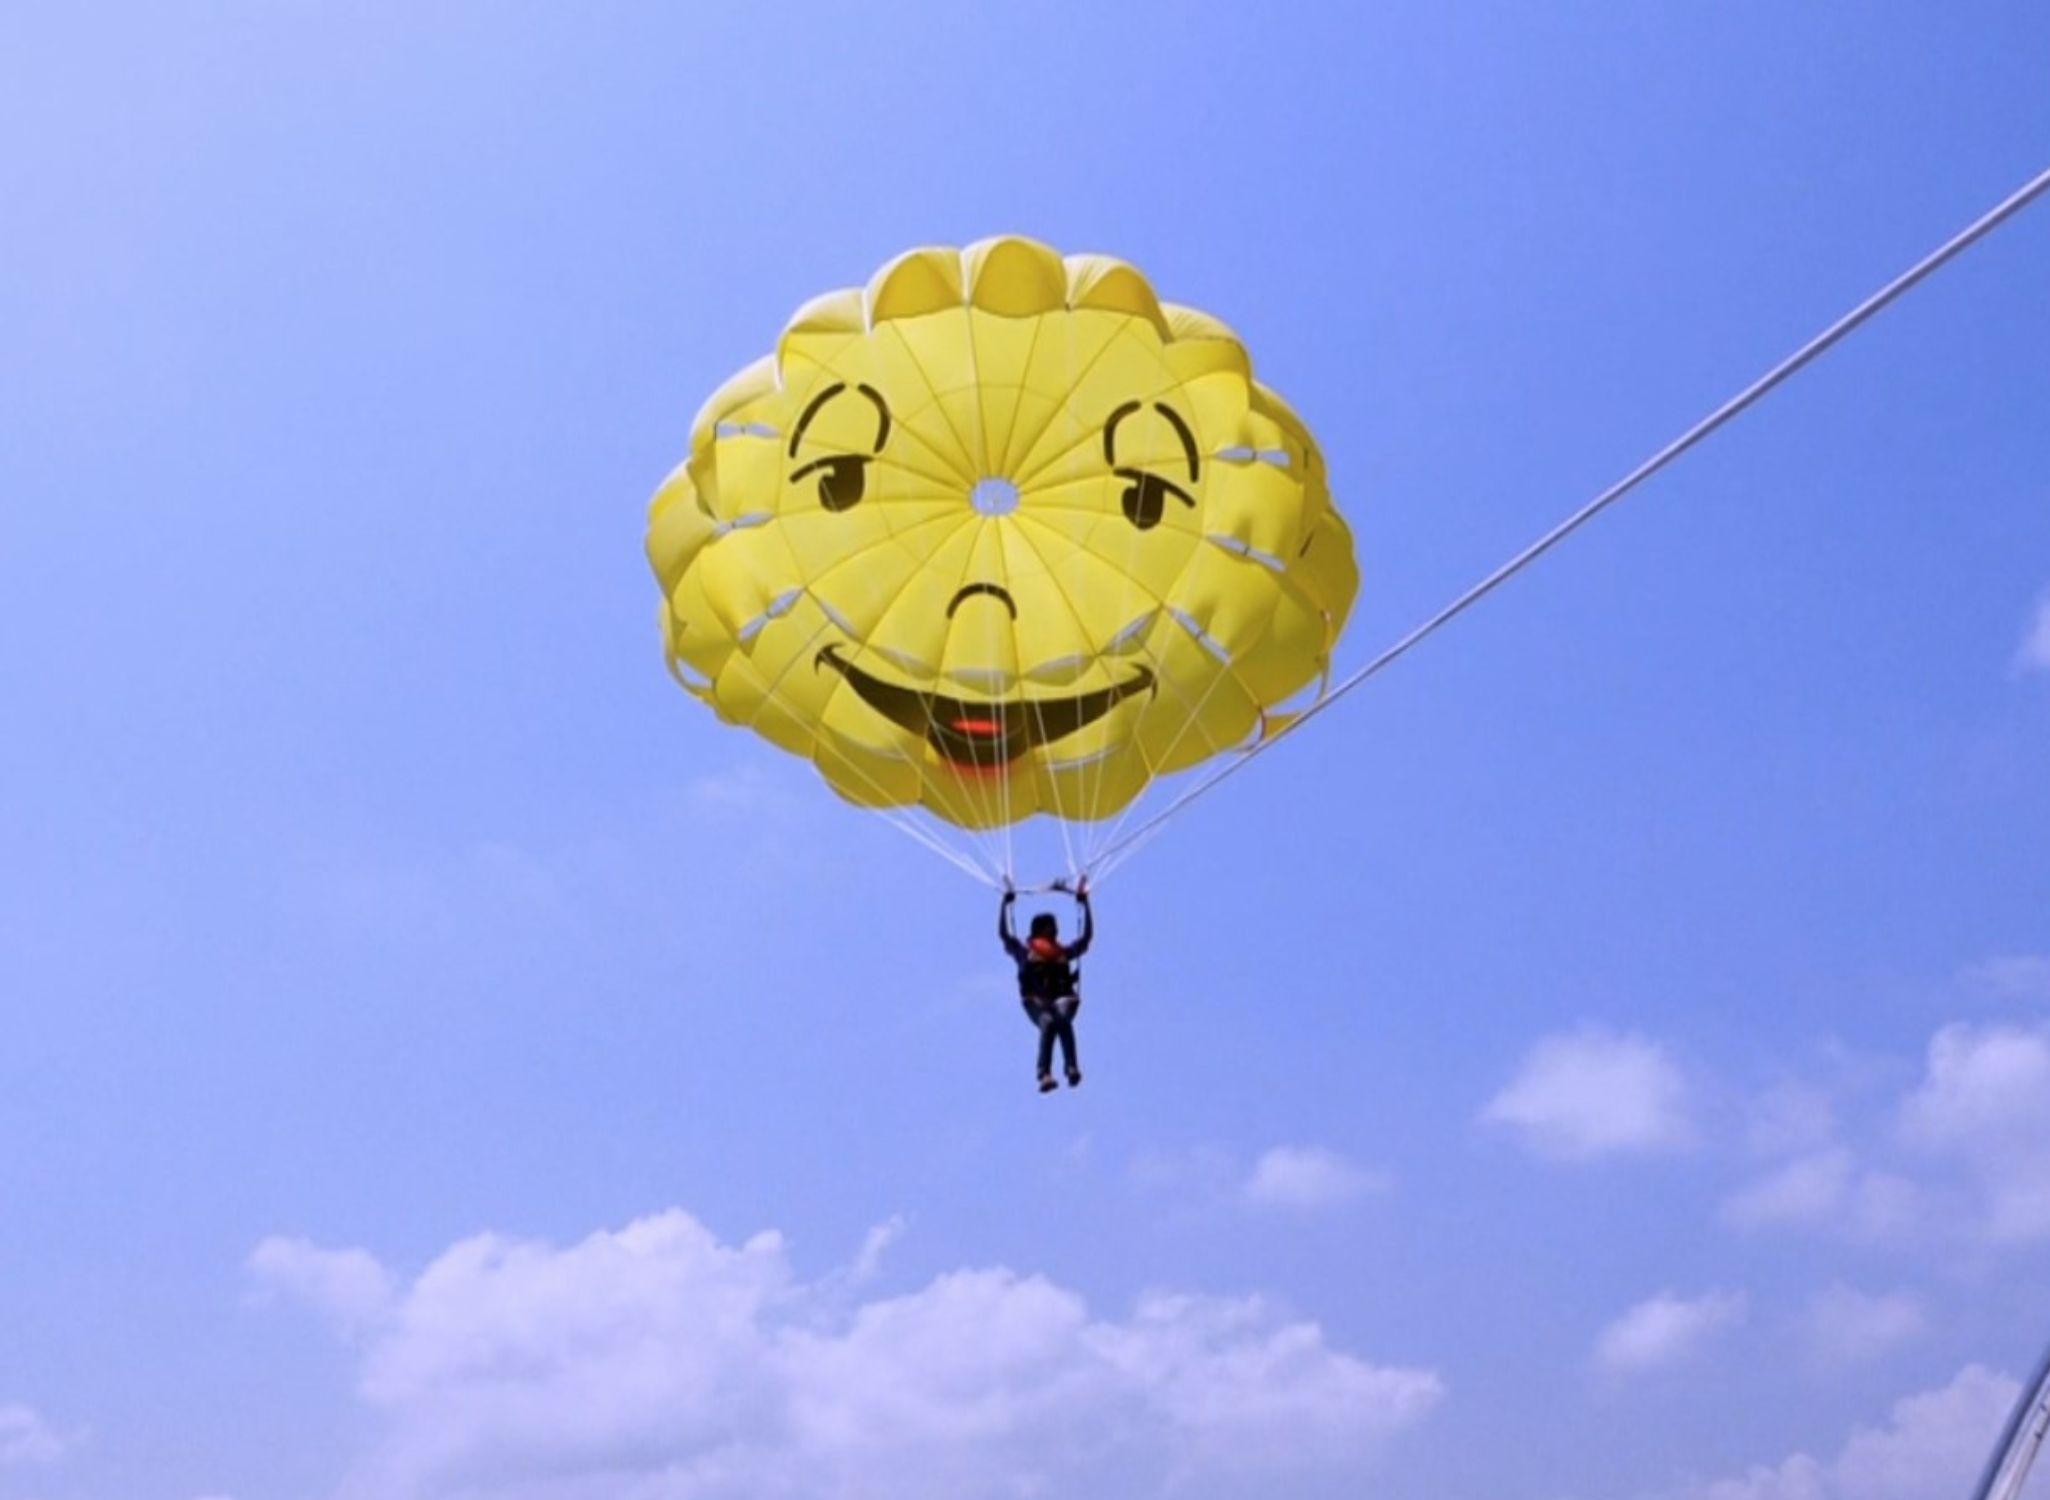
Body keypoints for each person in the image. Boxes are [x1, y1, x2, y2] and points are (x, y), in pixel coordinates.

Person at [999, 877, 1093, 1092]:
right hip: (1036, 1002)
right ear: (1041, 929)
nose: (1056, 931)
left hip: (1061, 998)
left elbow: (1087, 938)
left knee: (1061, 1017)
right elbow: (1004, 935)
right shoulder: (1025, 952)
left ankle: (1071, 1068)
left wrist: (1085, 904)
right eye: (1052, 927)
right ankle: (1044, 1074)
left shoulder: (1062, 952)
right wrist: (1004, 904)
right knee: (1049, 1022)